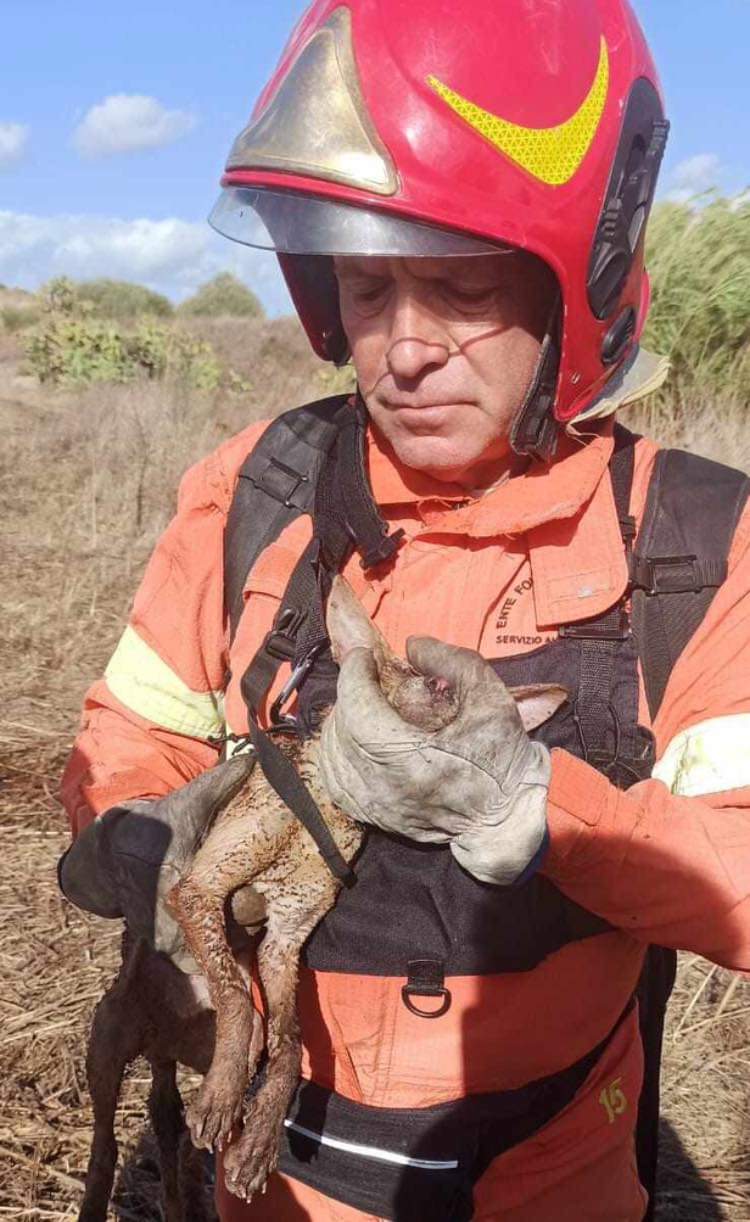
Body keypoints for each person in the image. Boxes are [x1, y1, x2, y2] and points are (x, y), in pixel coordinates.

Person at [58, 1, 750, 1219]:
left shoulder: (698, 547)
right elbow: (138, 721)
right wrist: (136, 825)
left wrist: (542, 807)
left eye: (464, 287)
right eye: (369, 287)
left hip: (549, 1177)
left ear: (573, 292)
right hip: (266, 1176)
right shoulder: (257, 490)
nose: (405, 348)